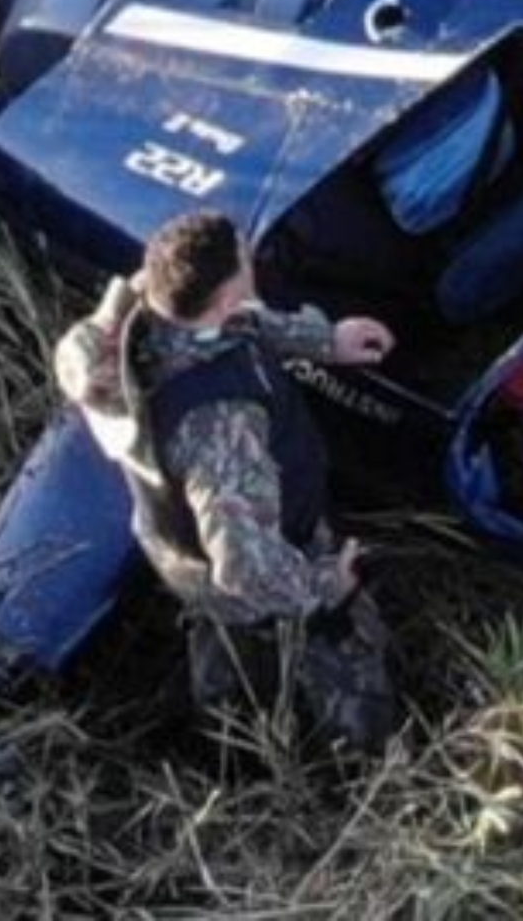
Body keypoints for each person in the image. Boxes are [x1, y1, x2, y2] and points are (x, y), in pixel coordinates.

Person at [55, 209, 398, 753]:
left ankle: (225, 739)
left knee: (227, 663)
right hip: (276, 552)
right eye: (245, 265)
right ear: (219, 301)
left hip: (182, 554)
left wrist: (324, 339)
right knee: (347, 660)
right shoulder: (221, 423)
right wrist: (327, 586)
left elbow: (239, 323)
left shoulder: (132, 326)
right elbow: (246, 568)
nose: (253, 262)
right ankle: (364, 767)